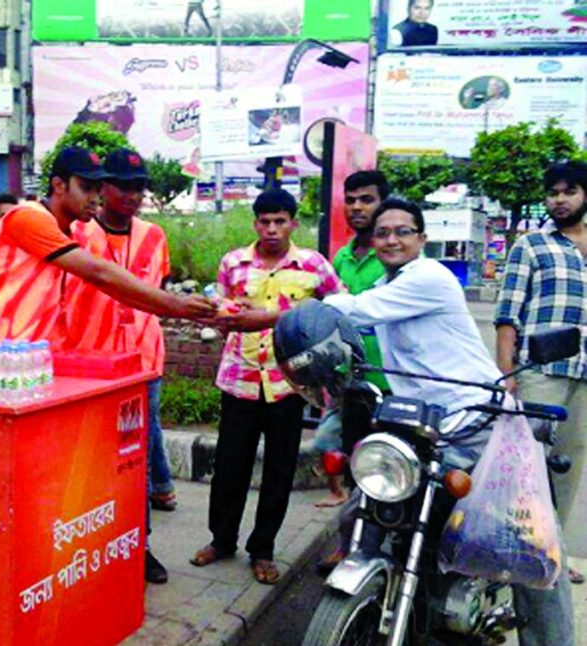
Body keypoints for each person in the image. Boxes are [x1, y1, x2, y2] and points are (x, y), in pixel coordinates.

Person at [0, 147, 216, 639]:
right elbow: (99, 274)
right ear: (58, 185)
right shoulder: (25, 219)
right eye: (88, 186)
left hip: (25, 375)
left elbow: (107, 287)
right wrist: (174, 305)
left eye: (101, 187)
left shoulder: (72, 233)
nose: (97, 197)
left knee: (9, 487)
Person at [219, 197, 575, 646]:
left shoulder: (428, 277)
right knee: (363, 508)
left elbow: (357, 310)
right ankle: (389, 595)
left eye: (403, 231)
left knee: (529, 546)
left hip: (480, 423)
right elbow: (351, 331)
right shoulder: (391, 284)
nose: (391, 239)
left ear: (421, 239)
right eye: (383, 232)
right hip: (424, 427)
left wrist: (275, 316)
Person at [188, 189, 343, 585]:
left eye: (280, 221)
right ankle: (221, 540)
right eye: (265, 222)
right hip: (239, 378)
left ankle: (263, 550)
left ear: (293, 223)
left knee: (279, 470)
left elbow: (338, 308)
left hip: (289, 383)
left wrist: (283, 321)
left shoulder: (313, 264)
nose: (272, 229)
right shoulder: (233, 263)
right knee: (229, 467)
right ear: (255, 223)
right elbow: (222, 309)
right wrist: (224, 316)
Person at [61, 148, 176, 584]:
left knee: (138, 461)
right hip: (90, 365)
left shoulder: (155, 236)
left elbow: (156, 292)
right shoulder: (76, 233)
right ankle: (92, 542)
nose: (132, 195)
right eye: (122, 186)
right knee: (92, 460)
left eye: (138, 187)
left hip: (143, 364)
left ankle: (139, 544)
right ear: (101, 188)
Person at [495, 160, 587, 585]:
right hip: (540, 373)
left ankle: (554, 553)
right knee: (528, 467)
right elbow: (507, 312)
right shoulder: (531, 245)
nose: (559, 200)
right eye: (553, 192)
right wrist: (507, 371)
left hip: (584, 375)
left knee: (568, 468)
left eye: (569, 191)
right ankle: (515, 552)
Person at [314, 171, 391, 511]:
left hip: (388, 380)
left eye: (367, 199)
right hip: (346, 378)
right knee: (337, 447)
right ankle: (347, 532)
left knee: (380, 465)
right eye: (351, 200)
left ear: (383, 203)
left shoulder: (395, 256)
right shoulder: (341, 258)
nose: (357, 207)